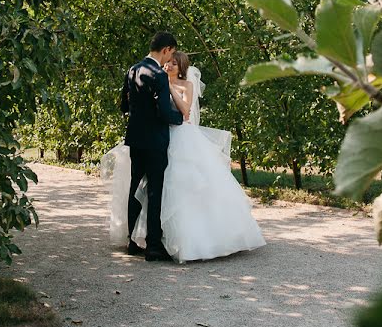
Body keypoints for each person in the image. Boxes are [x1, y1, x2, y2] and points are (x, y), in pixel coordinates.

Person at [104, 49, 266, 263]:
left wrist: (169, 88)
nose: (168, 66)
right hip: (158, 137)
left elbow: (186, 112)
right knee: (149, 188)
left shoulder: (185, 85)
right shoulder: (154, 82)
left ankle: (181, 239)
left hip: (181, 137)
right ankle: (144, 238)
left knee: (181, 186)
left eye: (173, 63)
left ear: (181, 67)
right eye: (167, 62)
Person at [117, 31, 186, 262]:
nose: (170, 58)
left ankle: (131, 241)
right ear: (166, 49)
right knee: (155, 190)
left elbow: (124, 105)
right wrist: (179, 120)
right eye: (172, 53)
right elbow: (165, 112)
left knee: (135, 187)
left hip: (136, 138)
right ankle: (153, 246)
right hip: (155, 140)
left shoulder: (132, 70)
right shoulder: (158, 74)